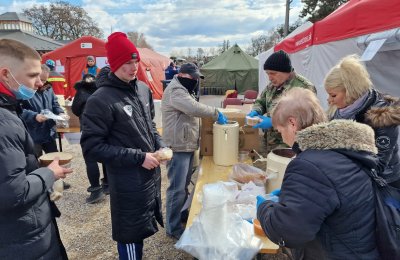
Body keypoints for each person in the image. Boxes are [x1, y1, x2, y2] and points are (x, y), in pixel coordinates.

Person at [257, 87, 379, 259]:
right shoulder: (343, 149)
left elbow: (288, 232)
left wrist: (264, 208)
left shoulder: (308, 165)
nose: (283, 138)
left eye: (280, 131)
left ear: (292, 124)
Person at [80, 32, 165, 260]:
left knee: (141, 229)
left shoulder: (143, 90)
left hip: (148, 177)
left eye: (136, 61)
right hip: (126, 181)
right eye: (127, 63)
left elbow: (150, 128)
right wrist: (139, 157)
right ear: (114, 63)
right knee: (129, 236)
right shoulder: (100, 99)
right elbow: (92, 147)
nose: (133, 67)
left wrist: (161, 145)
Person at [0, 38, 72, 259]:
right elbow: (13, 192)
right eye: (32, 76)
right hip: (22, 239)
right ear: (5, 74)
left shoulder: (10, 110)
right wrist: (49, 173)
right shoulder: (4, 122)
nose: (39, 83)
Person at [161, 62, 227, 239]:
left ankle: (182, 215)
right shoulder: (176, 91)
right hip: (178, 146)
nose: (197, 81)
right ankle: (172, 228)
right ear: (182, 75)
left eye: (198, 78)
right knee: (176, 188)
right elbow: (193, 108)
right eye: (194, 78)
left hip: (187, 144)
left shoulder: (185, 88)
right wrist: (215, 112)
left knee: (183, 186)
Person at [324, 54, 400, 188]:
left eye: (333, 95)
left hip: (385, 182)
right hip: (353, 179)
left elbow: (379, 163)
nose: (329, 100)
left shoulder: (382, 116)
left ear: (351, 91)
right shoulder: (340, 110)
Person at [248, 50, 316, 152]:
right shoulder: (272, 86)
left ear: (285, 71)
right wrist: (256, 111)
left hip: (291, 147)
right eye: (267, 74)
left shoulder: (304, 87)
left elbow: (306, 121)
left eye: (273, 73)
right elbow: (261, 101)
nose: (270, 78)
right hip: (271, 143)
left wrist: (274, 122)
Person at [72, 73, 108, 203]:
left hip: (88, 129)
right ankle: (107, 185)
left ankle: (96, 190)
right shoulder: (103, 89)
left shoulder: (81, 91)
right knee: (106, 156)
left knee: (90, 159)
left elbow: (75, 109)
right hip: (105, 128)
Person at [21, 64, 67, 157]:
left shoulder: (49, 89)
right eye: (40, 79)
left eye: (44, 80)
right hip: (32, 134)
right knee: (34, 162)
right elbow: (17, 110)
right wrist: (34, 116)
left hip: (48, 133)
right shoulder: (25, 90)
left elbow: (55, 104)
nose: (41, 83)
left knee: (54, 158)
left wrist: (61, 113)